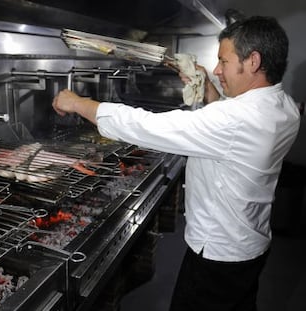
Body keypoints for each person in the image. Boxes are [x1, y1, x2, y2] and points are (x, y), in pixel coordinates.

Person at [52, 16, 300, 311]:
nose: (217, 69)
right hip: (250, 244)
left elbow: (147, 126)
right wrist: (209, 89)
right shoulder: (285, 106)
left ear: (253, 61)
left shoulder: (237, 120)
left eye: (223, 61)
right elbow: (232, 128)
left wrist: (79, 103)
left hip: (217, 256)